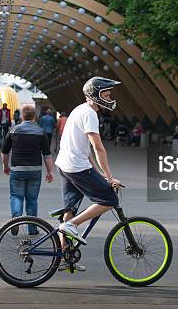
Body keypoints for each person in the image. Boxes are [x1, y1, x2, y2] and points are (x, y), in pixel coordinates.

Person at [54, 77, 122, 272]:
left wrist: (101, 173)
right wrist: (109, 178)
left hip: (65, 164)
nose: (109, 97)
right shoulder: (90, 114)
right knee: (109, 199)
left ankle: (65, 256)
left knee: (69, 208)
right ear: (96, 94)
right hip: (76, 166)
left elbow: (86, 150)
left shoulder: (79, 109)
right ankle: (72, 225)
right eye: (106, 94)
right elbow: (98, 148)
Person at [1, 105, 54, 235]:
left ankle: (16, 220)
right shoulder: (40, 132)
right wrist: (50, 172)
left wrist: (5, 166)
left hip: (17, 169)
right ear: (35, 117)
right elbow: (46, 155)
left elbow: (4, 151)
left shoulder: (14, 130)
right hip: (35, 170)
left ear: (21, 117)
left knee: (16, 196)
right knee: (32, 199)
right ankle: (32, 228)